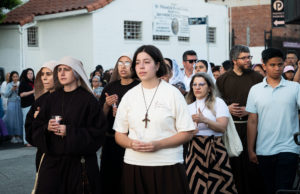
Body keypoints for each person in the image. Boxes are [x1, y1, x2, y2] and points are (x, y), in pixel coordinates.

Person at [113, 45, 195, 194]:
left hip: (167, 164)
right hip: (134, 164)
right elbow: (119, 134)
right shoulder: (129, 96)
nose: (141, 66)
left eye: (146, 62)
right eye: (137, 63)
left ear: (157, 65)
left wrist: (159, 144)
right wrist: (131, 143)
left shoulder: (172, 94)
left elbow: (187, 132)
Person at [31, 56, 107, 194]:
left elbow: (98, 133)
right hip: (53, 164)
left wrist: (70, 132)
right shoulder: (50, 99)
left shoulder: (89, 101)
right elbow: (35, 128)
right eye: (59, 70)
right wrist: (46, 128)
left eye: (67, 69)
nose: (62, 73)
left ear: (77, 73)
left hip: (78, 165)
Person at [247, 48, 299, 194]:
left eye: (280, 65)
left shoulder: (295, 88)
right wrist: (251, 149)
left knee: (283, 189)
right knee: (269, 189)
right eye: (272, 65)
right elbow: (252, 121)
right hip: (264, 149)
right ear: (264, 66)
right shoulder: (255, 90)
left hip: (289, 148)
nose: (277, 68)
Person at [216, 45, 264, 194]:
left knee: (252, 166)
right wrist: (227, 109)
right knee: (234, 166)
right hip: (231, 128)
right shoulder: (223, 79)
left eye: (249, 57)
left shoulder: (257, 77)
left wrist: (250, 110)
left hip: (253, 128)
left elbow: (263, 100)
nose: (248, 60)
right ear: (234, 60)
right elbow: (216, 102)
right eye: (244, 58)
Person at [185, 73, 237, 194]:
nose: (197, 87)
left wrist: (205, 120)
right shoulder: (188, 107)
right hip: (195, 150)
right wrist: (191, 132)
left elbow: (222, 127)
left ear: (209, 87)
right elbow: (182, 132)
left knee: (221, 185)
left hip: (215, 147)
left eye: (201, 84)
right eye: (194, 84)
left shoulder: (219, 103)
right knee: (195, 185)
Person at [98, 54, 139, 194]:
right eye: (120, 63)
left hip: (132, 140)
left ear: (133, 67)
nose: (123, 66)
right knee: (110, 180)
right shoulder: (110, 87)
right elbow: (100, 117)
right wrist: (106, 105)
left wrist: (124, 115)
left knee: (130, 179)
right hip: (111, 140)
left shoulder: (139, 87)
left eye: (127, 63)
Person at [25, 60, 58, 171]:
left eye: (48, 74)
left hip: (66, 157)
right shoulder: (40, 101)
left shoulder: (69, 99)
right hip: (44, 155)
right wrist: (38, 121)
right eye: (42, 74)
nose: (44, 78)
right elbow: (29, 130)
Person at [3, 71, 23, 143]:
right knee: (11, 120)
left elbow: (21, 94)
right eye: (14, 76)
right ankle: (12, 136)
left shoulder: (20, 84)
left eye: (16, 76)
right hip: (11, 103)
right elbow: (5, 95)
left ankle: (18, 135)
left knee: (18, 120)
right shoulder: (9, 85)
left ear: (18, 77)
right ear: (11, 77)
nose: (15, 78)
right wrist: (11, 90)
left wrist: (18, 90)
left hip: (18, 103)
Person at [19, 68, 35, 146]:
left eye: (31, 73)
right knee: (26, 122)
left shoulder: (34, 82)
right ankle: (26, 141)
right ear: (25, 74)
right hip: (26, 105)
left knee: (33, 123)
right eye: (28, 73)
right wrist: (32, 91)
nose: (30, 75)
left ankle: (32, 139)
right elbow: (21, 94)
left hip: (34, 104)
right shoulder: (23, 83)